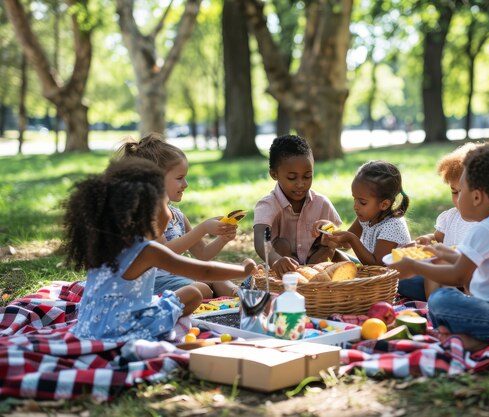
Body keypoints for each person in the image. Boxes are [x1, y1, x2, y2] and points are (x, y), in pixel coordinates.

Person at [64, 158, 257, 342]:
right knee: (194, 293)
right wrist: (243, 270)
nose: (169, 210)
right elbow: (204, 270)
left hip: (88, 326)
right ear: (150, 214)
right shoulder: (148, 251)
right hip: (122, 329)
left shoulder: (106, 246)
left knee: (190, 293)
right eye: (164, 204)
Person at [390, 143, 489, 352]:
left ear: (476, 197)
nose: (456, 199)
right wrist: (443, 252)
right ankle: (475, 340)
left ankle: (484, 338)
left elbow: (457, 276)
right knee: (445, 296)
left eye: (459, 192)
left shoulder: (486, 229)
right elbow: (470, 262)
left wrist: (416, 267)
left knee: (440, 299)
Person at [118, 133, 239, 298]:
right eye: (180, 178)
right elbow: (162, 254)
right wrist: (202, 228)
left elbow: (203, 254)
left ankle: (243, 300)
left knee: (217, 277)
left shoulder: (177, 215)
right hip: (150, 283)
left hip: (176, 278)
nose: (186, 184)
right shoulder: (145, 215)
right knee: (200, 289)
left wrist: (223, 238)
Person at [398, 142, 480, 301]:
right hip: (444, 276)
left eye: (462, 192)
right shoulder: (450, 217)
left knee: (436, 266)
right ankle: (439, 301)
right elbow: (438, 237)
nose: (458, 199)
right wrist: (428, 239)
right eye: (454, 192)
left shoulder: (484, 222)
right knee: (402, 280)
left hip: (472, 278)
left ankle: (438, 304)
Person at [253, 134, 343, 277]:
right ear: (274, 174)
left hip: (317, 268)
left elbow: (342, 240)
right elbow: (260, 240)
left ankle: (316, 283)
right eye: (292, 178)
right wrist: (276, 261)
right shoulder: (267, 205)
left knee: (329, 247)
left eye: (307, 176)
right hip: (286, 269)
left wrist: (330, 231)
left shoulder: (321, 203)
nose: (301, 184)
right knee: (281, 244)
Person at [315, 160, 411, 266]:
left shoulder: (393, 225)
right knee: (334, 254)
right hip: (372, 271)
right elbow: (346, 243)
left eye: (362, 202)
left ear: (384, 204)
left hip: (394, 278)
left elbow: (377, 265)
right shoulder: (367, 217)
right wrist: (329, 236)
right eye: (354, 199)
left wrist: (352, 239)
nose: (355, 206)